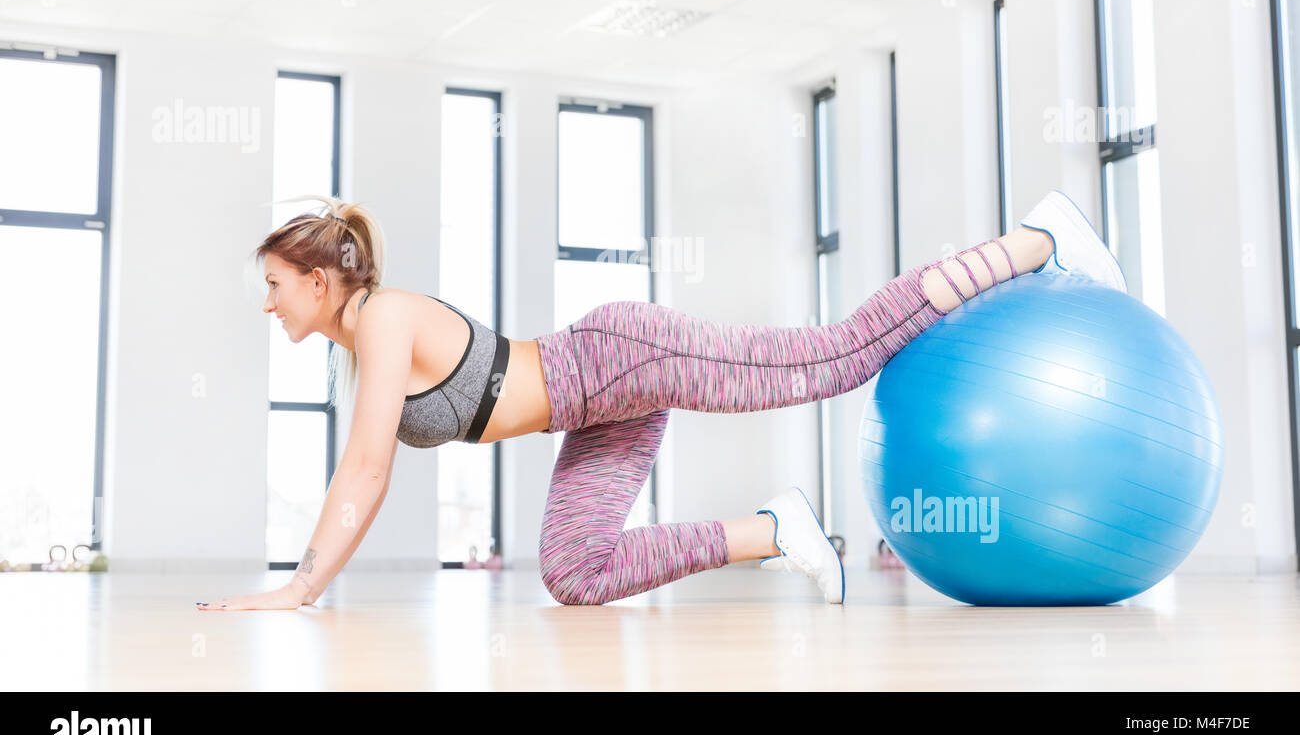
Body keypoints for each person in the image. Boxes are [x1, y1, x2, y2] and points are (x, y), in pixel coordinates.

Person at [196, 189, 1124, 611]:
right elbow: (364, 462)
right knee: (575, 573)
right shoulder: (364, 343)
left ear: (320, 281)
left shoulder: (386, 315)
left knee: (835, 358)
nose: (268, 302)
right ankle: (772, 531)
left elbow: (365, 466)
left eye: (274, 283)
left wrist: (300, 588)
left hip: (618, 358)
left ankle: (1036, 242)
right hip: (593, 404)